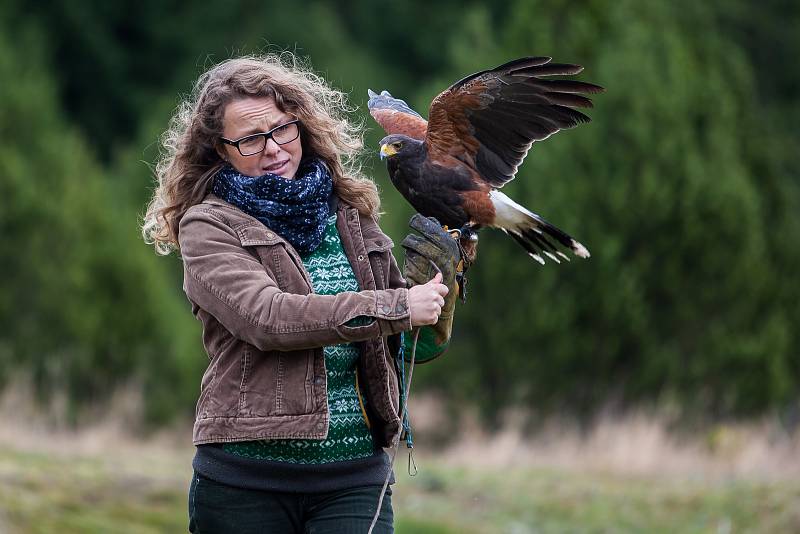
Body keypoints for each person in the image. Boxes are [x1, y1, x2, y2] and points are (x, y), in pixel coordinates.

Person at [141, 54, 462, 533]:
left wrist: (439, 291)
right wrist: (397, 305)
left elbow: (409, 345)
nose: (273, 148)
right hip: (245, 483)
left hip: (354, 479)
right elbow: (268, 319)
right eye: (250, 138)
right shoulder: (207, 226)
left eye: (282, 129)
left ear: (303, 126)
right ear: (219, 148)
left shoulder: (351, 215)